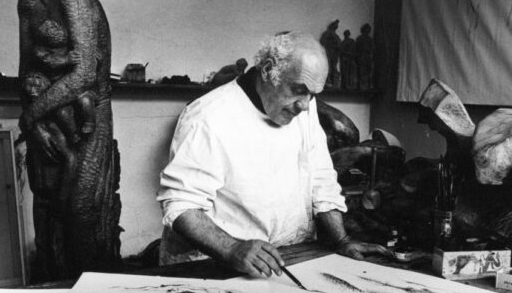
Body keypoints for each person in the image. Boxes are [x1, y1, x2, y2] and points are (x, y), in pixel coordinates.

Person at [157, 32, 389, 275]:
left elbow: (320, 178)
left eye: (313, 94)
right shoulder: (208, 116)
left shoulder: (303, 107)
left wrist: (342, 240)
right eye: (298, 89)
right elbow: (181, 204)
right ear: (268, 70)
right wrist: (232, 248)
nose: (305, 105)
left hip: (284, 258)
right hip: (211, 264)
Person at [18, 0, 121, 281]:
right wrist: (33, 122)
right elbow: (25, 65)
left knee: (80, 214)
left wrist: (30, 117)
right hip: (43, 114)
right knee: (46, 210)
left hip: (86, 119)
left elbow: (85, 75)